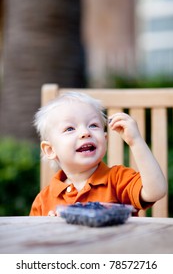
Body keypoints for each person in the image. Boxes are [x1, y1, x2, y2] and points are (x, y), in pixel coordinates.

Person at [29, 91, 167, 216]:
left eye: (93, 125)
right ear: (50, 150)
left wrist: (136, 142)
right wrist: (48, 227)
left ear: (105, 139)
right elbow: (33, 238)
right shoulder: (44, 200)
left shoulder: (118, 179)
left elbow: (156, 191)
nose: (85, 133)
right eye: (70, 128)